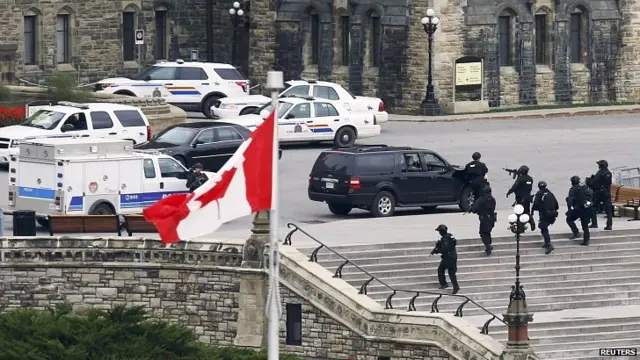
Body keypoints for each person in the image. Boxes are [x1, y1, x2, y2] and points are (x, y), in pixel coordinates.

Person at [430, 224, 460, 294]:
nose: (439, 233)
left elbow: (445, 248)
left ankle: (445, 284)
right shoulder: (450, 235)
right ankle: (455, 286)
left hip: (448, 257)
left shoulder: (445, 238)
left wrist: (437, 250)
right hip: (453, 256)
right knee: (451, 272)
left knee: (442, 270)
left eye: (439, 231)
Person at [532, 181, 559, 254]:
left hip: (544, 214)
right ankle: (546, 242)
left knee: (543, 228)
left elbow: (536, 205)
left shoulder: (539, 194)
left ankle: (549, 244)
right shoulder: (550, 193)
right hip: (552, 214)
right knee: (544, 227)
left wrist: (535, 210)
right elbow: (557, 205)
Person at [506, 165, 536, 230]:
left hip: (520, 198)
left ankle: (522, 226)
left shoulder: (520, 179)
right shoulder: (530, 178)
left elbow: (515, 186)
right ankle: (529, 221)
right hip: (528, 197)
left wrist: (509, 192)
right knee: (526, 211)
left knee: (519, 212)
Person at [566, 175, 593, 246]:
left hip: (578, 209)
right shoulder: (585, 187)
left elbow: (570, 200)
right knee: (585, 226)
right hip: (586, 208)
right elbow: (591, 194)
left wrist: (569, 209)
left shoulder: (572, 189)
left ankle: (576, 232)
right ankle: (586, 240)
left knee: (569, 219)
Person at [471, 186, 496, 255]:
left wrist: (473, 208)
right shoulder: (493, 199)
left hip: (484, 218)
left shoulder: (481, 199)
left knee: (483, 233)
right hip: (492, 218)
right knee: (487, 232)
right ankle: (488, 246)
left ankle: (488, 246)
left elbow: (474, 210)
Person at [590, 160, 613, 230]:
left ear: (601, 166)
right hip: (607, 193)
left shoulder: (600, 173)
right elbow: (609, 183)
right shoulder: (609, 173)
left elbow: (593, 183)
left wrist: (591, 179)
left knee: (592, 207)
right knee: (608, 210)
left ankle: (594, 223)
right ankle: (609, 225)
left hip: (599, 193)